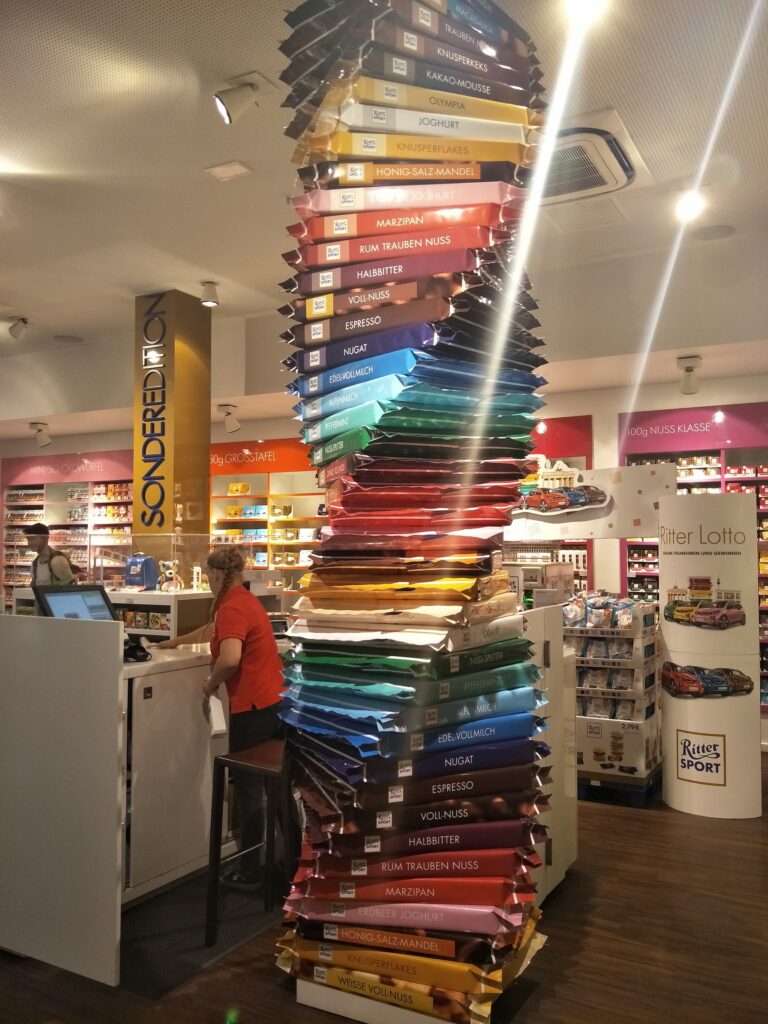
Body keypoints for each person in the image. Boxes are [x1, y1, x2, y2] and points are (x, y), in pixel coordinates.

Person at [157, 546, 285, 890]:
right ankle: (283, 864)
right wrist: (171, 644)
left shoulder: (231, 606)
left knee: (249, 788)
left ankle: (250, 869)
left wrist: (209, 683)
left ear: (214, 574)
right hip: (273, 703)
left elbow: (229, 658)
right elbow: (210, 632)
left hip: (252, 709)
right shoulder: (244, 600)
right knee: (269, 790)